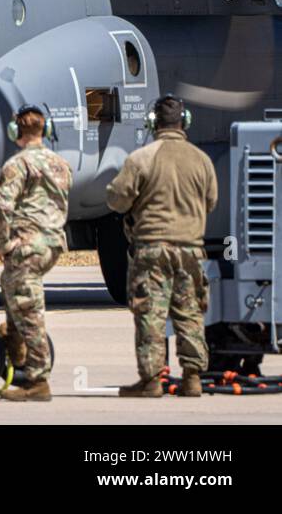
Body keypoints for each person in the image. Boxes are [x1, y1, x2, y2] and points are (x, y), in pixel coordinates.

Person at [106, 95, 217, 398]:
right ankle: (193, 377)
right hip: (190, 249)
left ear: (153, 123)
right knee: (190, 312)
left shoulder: (141, 158)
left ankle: (152, 380)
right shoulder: (201, 160)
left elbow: (116, 199)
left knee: (150, 314)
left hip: (152, 249)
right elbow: (211, 201)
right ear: (186, 122)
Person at [0, 105, 73, 402]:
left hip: (27, 245)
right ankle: (16, 348)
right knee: (15, 293)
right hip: (51, 245)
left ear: (16, 132)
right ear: (45, 131)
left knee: (30, 310)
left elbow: (2, 207)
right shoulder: (61, 164)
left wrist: (2, 244)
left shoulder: (17, 164)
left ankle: (38, 381)